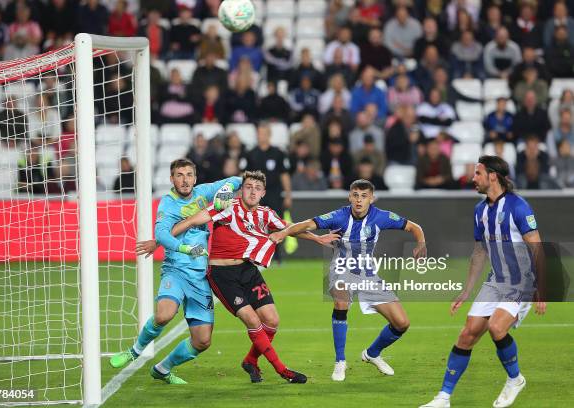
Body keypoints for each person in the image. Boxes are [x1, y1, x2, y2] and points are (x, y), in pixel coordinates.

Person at [169, 170, 338, 383]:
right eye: (248, 187)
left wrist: (317, 239)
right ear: (242, 189)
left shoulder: (266, 213)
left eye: (257, 188)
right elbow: (193, 221)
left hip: (247, 270)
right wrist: (161, 239)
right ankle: (282, 370)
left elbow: (289, 228)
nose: (252, 191)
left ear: (263, 193)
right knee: (252, 319)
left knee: (272, 320)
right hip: (222, 274)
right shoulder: (227, 206)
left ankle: (250, 361)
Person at [420, 155, 546, 408]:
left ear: (493, 176)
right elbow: (480, 252)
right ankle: (444, 397)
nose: (472, 178)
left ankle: (515, 379)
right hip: (495, 282)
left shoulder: (518, 206)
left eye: (477, 173)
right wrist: (467, 291)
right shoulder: (480, 211)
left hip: (521, 282)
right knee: (467, 334)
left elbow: (537, 248)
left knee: (497, 328)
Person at [270, 179, 426, 381]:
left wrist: (421, 243)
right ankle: (340, 361)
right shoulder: (339, 216)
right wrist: (283, 233)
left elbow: (414, 227)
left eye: (364, 196)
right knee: (341, 298)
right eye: (355, 195)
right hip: (341, 269)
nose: (359, 200)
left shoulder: (382, 217)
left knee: (402, 323)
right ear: (349, 197)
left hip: (368, 274)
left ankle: (372, 353)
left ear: (372, 198)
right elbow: (307, 224)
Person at [111, 159, 242, 384]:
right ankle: (134, 351)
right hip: (176, 270)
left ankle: (162, 369)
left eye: (189, 174)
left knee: (202, 341)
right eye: (179, 175)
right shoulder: (167, 204)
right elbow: (161, 235)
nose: (185, 180)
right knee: (164, 314)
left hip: (200, 276)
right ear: (171, 179)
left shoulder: (204, 192)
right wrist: (185, 248)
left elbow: (238, 179)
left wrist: (228, 188)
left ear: (195, 178)